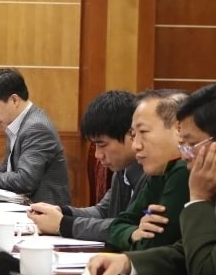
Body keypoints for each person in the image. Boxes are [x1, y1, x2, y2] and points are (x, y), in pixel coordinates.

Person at [88, 82, 216, 275]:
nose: (184, 155)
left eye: (191, 145)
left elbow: (207, 274)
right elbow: (188, 252)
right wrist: (127, 262)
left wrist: (199, 199)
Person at [27, 90, 145, 241]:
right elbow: (103, 212)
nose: (97, 155)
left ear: (131, 134)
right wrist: (61, 212)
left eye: (102, 145)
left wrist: (63, 224)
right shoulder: (123, 170)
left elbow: (130, 228)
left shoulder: (152, 173)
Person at [0, 68, 70, 204]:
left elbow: (25, 180)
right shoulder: (18, 123)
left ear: (14, 100)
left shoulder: (36, 128)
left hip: (43, 211)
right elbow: (6, 168)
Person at [106, 89, 190, 251]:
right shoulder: (160, 171)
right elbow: (117, 225)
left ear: (179, 130)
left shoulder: (183, 169)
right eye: (133, 135)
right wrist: (133, 233)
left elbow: (152, 245)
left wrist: (135, 234)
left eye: (143, 132)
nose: (135, 146)